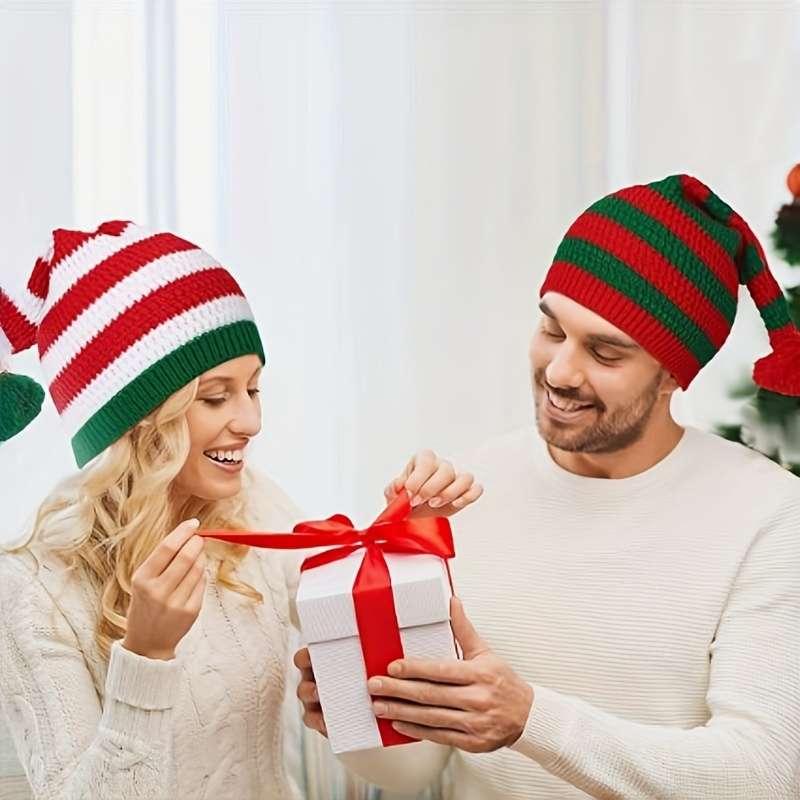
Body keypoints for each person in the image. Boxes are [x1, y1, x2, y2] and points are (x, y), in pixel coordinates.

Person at [298, 174, 800, 799]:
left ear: (674, 373)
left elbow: (762, 777)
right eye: (552, 331)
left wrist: (530, 719)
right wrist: (357, 713)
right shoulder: (462, 494)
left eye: (605, 353)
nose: (560, 372)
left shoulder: (768, 515)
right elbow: (421, 772)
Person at [0, 220, 481, 799]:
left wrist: (402, 539)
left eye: (253, 389)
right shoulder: (34, 588)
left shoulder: (251, 504)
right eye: (215, 396)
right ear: (138, 420)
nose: (251, 422)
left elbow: (406, 734)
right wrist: (147, 656)